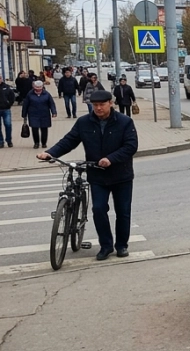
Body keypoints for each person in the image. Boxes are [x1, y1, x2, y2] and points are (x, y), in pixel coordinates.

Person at [38, 89, 139, 261]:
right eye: (95, 105)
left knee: (123, 212)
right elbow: (69, 140)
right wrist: (50, 153)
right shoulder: (84, 122)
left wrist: (111, 159)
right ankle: (106, 246)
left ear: (110, 104)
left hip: (121, 175)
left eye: (101, 105)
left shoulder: (124, 122)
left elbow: (131, 146)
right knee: (98, 209)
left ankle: (122, 245)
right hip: (97, 175)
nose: (98, 108)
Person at [20, 80, 57, 149]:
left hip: (44, 114)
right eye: (37, 87)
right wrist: (24, 114)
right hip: (33, 114)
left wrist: (54, 112)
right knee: (34, 129)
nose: (38, 88)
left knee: (44, 129)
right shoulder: (29, 94)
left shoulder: (47, 94)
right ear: (33, 87)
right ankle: (36, 143)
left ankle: (44, 143)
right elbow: (25, 105)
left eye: (40, 87)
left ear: (42, 87)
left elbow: (51, 103)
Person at [0, 75, 15, 147]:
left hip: (6, 109)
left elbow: (12, 96)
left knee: (8, 125)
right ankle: (0, 141)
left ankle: (9, 140)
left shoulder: (7, 87)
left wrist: (9, 104)